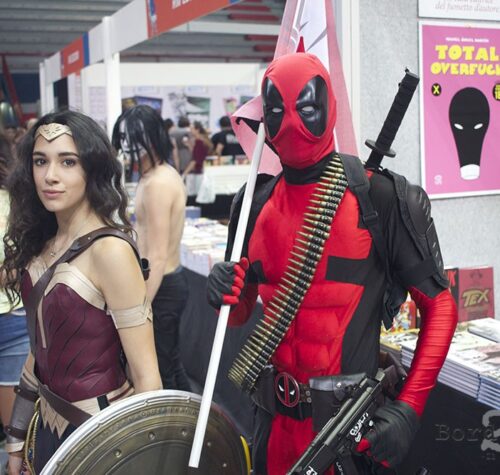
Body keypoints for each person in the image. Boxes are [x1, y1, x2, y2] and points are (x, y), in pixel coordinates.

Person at [206, 53, 458, 474]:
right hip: (273, 424)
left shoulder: (380, 199)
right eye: (277, 110)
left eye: (307, 107)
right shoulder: (252, 205)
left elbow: (441, 306)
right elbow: (240, 312)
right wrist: (223, 293)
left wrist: (409, 407)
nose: (292, 123)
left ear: (329, 106)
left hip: (347, 433)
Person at [2, 110, 162, 474]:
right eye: (40, 161)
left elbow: (147, 378)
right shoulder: (42, 244)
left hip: (104, 436)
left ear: (92, 168)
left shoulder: (111, 251)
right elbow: (38, 354)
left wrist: (143, 458)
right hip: (46, 428)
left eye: (68, 162)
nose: (50, 175)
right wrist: (16, 438)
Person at [118, 105, 191, 391]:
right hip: (161, 282)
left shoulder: (158, 183)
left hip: (163, 285)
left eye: (132, 139)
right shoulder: (155, 177)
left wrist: (141, 306)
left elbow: (158, 254)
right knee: (169, 363)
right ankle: (195, 417)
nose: (127, 147)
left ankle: (183, 419)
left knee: (162, 367)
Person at [0, 132, 29, 460]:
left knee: (16, 435)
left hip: (12, 319)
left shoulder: (15, 202)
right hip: (14, 317)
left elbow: (23, 262)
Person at [182, 121, 213, 196]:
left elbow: (195, 160)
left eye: (192, 129)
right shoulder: (202, 140)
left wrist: (184, 174)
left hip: (199, 172)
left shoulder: (200, 141)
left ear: (197, 130)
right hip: (201, 171)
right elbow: (196, 155)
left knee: (196, 195)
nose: (190, 131)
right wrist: (189, 145)